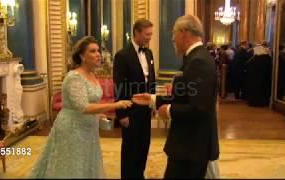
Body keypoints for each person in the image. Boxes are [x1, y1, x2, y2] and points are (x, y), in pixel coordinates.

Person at [29, 36, 132, 178]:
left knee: (86, 163)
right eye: (93, 51)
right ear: (82, 56)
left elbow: (90, 103)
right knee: (70, 166)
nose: (98, 54)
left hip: (89, 128)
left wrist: (98, 114)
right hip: (72, 128)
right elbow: (83, 107)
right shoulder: (74, 77)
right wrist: (115, 105)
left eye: (98, 51)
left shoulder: (91, 75)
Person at [132, 14, 219, 178]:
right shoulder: (194, 58)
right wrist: (153, 99)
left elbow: (199, 108)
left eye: (174, 34)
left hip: (191, 146)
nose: (173, 39)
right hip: (188, 145)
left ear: (184, 33)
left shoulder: (199, 61)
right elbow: (185, 96)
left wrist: (170, 111)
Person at [113, 19, 156, 178]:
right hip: (130, 110)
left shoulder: (149, 53)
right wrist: (121, 114)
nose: (149, 37)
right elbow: (118, 85)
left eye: (151, 34)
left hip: (146, 108)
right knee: (130, 147)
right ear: (137, 32)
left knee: (144, 145)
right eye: (147, 34)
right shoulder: (122, 55)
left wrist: (153, 103)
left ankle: (139, 174)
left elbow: (151, 80)